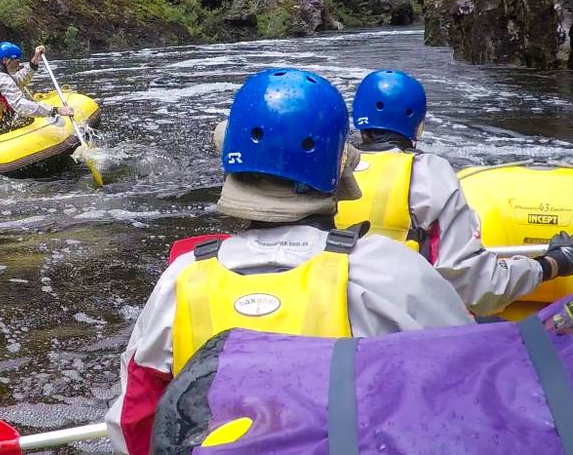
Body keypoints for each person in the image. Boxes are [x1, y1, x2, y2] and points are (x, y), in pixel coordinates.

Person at [105, 68, 475, 455]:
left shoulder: (181, 279)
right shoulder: (392, 273)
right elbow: (466, 388)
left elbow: (133, 420)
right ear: (339, 166)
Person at [336, 70, 573, 316]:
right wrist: (554, 263)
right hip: (402, 330)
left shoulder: (332, 170)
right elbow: (478, 288)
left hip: (334, 323)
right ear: (418, 127)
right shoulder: (429, 174)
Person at [0, 42, 74, 132]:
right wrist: (55, 110)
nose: (19, 65)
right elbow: (20, 105)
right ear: (6, 60)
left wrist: (34, 61)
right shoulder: (1, 79)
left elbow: (17, 81)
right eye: (16, 61)